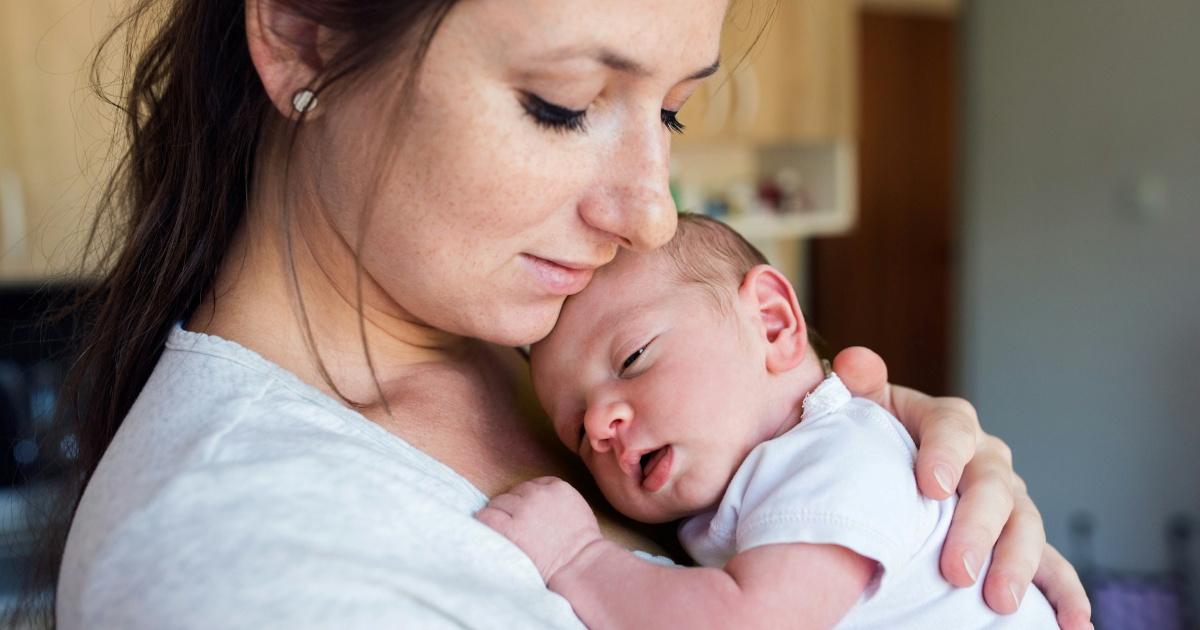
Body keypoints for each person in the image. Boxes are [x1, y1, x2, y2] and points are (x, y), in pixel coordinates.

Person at [39, 0, 1091, 628]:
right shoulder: (246, 567)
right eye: (564, 103)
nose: (651, 211)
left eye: (672, 109)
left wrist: (920, 486)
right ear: (306, 34)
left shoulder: (541, 348)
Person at [478, 215, 1059, 629]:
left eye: (633, 359)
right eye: (577, 433)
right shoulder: (751, 482)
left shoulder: (834, 460)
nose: (602, 425)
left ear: (773, 324)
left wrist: (577, 558)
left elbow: (747, 620)